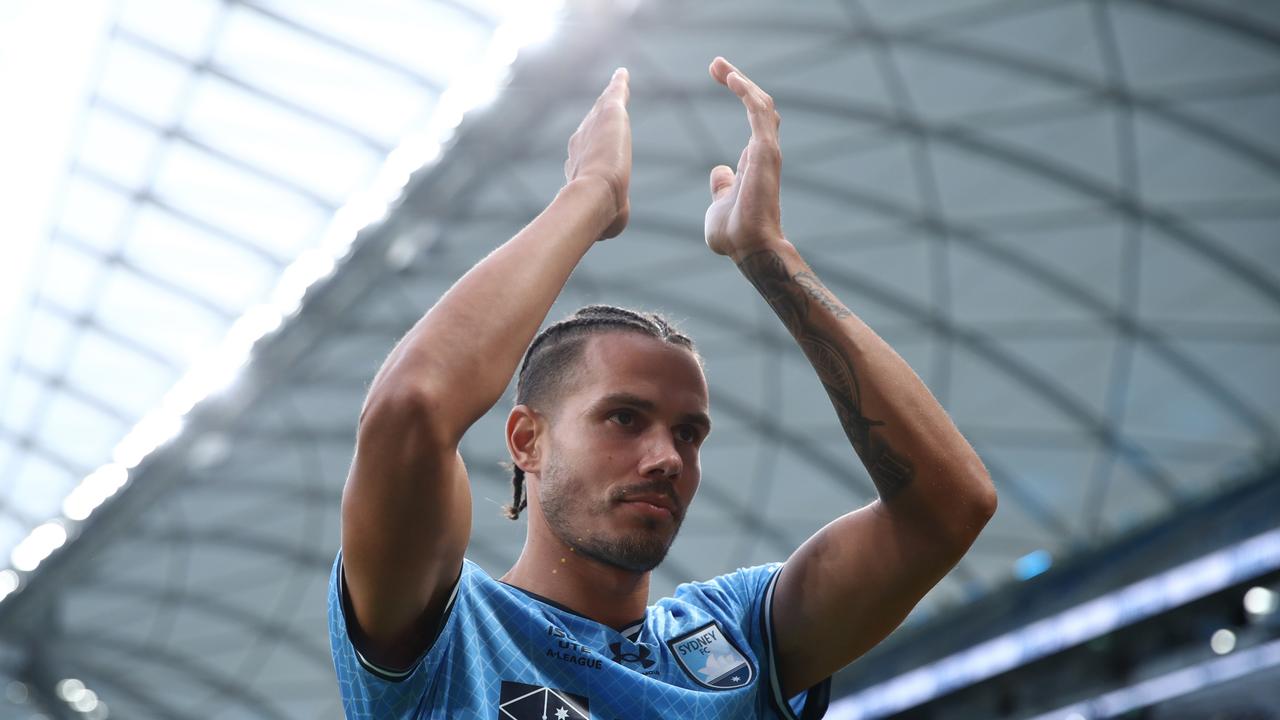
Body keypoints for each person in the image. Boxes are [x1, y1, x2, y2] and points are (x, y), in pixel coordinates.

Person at [329, 57, 996, 719]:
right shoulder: (446, 635)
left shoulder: (736, 634)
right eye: (624, 418)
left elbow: (950, 506)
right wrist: (590, 194)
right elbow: (410, 408)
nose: (667, 458)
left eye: (689, 432)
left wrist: (769, 255)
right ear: (527, 439)